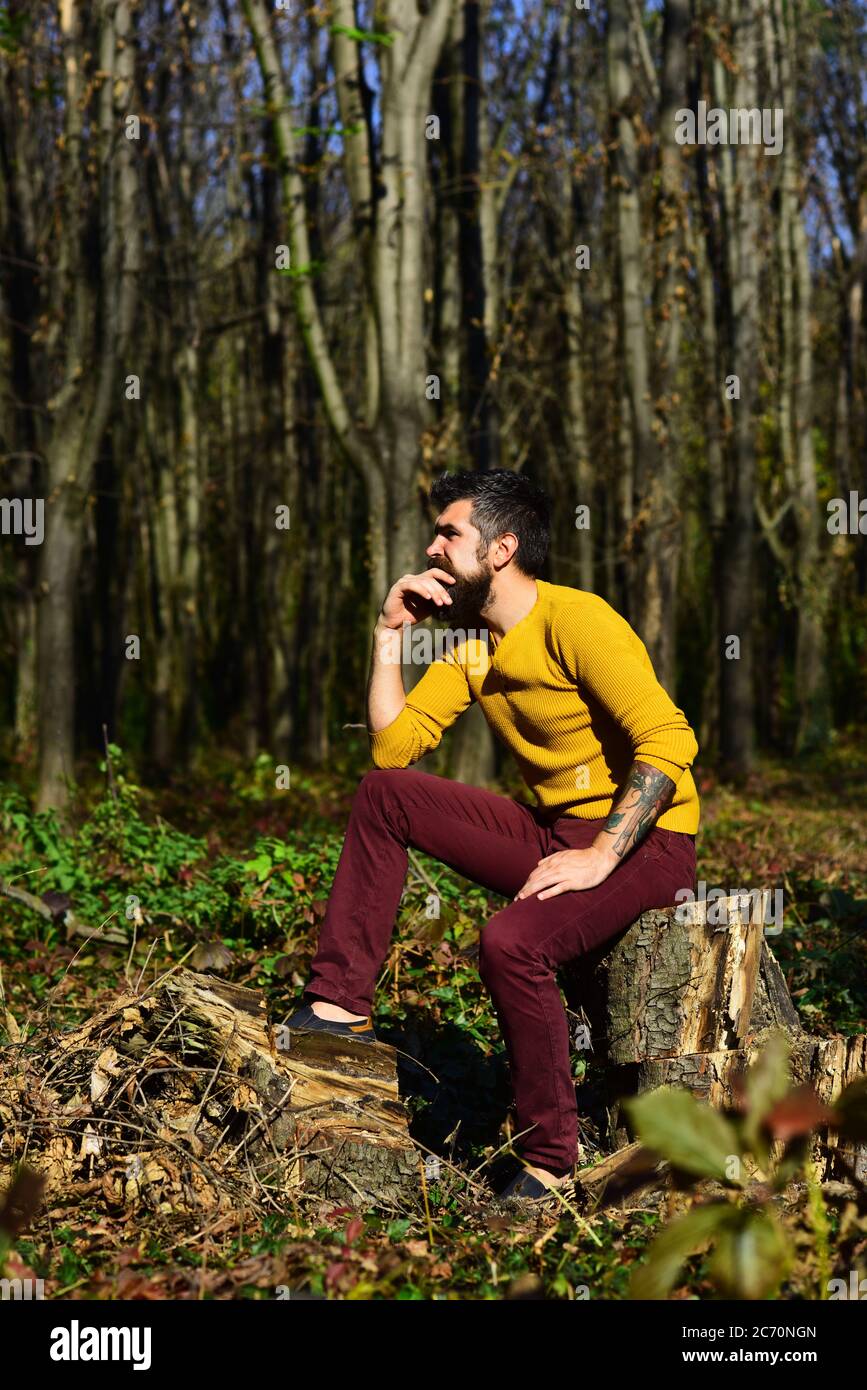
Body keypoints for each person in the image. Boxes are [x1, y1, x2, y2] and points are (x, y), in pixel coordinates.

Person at [284, 469, 699, 1203]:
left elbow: (669, 740)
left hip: (649, 840)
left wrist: (602, 855)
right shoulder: (473, 647)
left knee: (510, 943)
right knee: (385, 795)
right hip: (554, 830)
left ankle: (550, 1160)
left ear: (501, 548)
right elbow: (393, 751)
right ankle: (340, 1004)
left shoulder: (578, 620)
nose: (431, 547)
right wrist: (389, 636)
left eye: (449, 533)